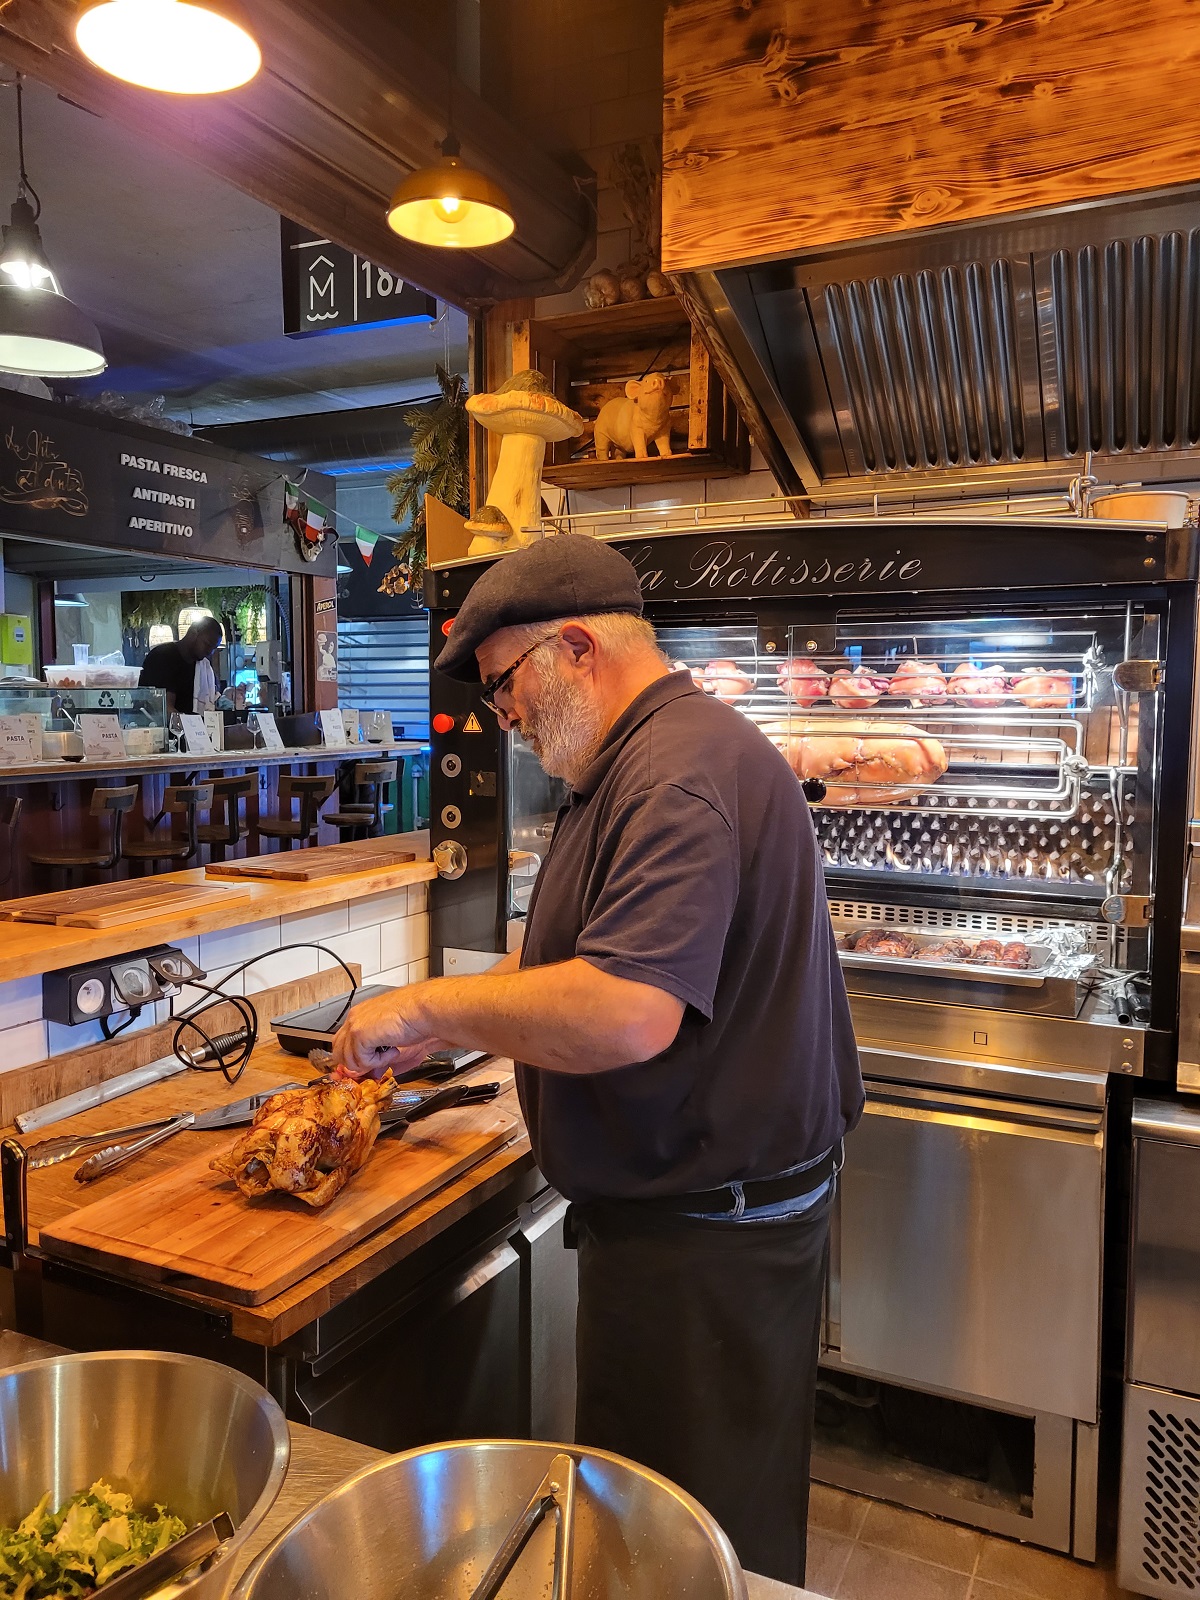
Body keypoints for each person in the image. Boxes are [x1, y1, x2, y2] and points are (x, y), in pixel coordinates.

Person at [332, 535, 863, 1586]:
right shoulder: (648, 753)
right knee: (685, 1521)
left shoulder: (675, 771)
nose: (505, 719)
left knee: (693, 1541)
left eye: (504, 687)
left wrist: (432, 1001)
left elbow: (627, 1011)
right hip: (703, 1224)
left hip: (710, 1244)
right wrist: (471, 1025)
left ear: (575, 646)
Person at [138, 618, 221, 715]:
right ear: (193, 633)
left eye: (213, 648)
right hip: (156, 727)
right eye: (207, 644)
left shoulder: (203, 666)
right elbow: (164, 708)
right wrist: (192, 726)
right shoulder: (163, 656)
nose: (210, 652)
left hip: (189, 727)